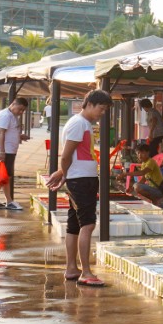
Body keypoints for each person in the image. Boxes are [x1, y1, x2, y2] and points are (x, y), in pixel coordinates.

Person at [46, 89, 111, 287]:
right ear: (90, 103)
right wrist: (62, 173)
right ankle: (86, 272)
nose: (102, 113)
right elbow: (66, 155)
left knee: (75, 225)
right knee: (88, 224)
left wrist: (65, 174)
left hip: (81, 177)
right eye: (101, 108)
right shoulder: (78, 124)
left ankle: (72, 268)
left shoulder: (83, 124)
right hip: (81, 180)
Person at [0, 97, 29, 211]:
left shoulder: (12, 116)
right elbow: (0, 133)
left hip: (9, 150)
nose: (20, 112)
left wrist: (20, 136)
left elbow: (9, 132)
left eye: (23, 110)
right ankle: (3, 201)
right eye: (20, 109)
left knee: (5, 176)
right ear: (13, 104)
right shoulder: (5, 116)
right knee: (3, 176)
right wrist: (2, 151)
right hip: (5, 151)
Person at [131, 141, 163, 206]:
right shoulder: (144, 163)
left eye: (142, 153)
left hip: (158, 190)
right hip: (152, 188)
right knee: (136, 186)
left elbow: (142, 172)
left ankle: (154, 200)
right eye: (138, 153)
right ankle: (153, 200)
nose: (140, 155)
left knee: (137, 187)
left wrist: (126, 174)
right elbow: (143, 179)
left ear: (147, 153)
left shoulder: (151, 162)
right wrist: (132, 188)